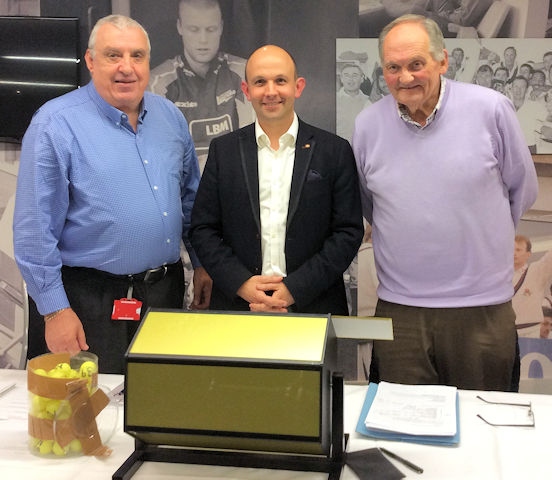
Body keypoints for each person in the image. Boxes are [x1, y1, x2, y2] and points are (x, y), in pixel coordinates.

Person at [13, 14, 210, 374]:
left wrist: (201, 264)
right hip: (86, 303)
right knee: (83, 419)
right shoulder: (54, 125)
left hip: (162, 294)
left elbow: (190, 201)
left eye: (137, 56)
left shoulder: (171, 119)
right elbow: (33, 232)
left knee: (159, 406)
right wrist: (55, 310)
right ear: (90, 61)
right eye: (112, 55)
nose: (126, 68)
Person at [352, 15, 538, 391]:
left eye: (416, 64)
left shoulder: (492, 110)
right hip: (400, 311)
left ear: (443, 61)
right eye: (393, 67)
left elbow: (522, 190)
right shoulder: (367, 125)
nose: (405, 77)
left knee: (483, 429)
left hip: (481, 310)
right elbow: (372, 204)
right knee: (400, 431)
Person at [190, 45, 364, 314]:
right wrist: (243, 284)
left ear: (298, 86)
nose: (271, 91)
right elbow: (203, 228)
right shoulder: (224, 151)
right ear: (246, 91)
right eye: (260, 82)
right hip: (239, 306)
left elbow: (348, 232)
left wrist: (296, 289)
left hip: (312, 305)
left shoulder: (334, 151)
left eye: (280, 80)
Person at [148, 0, 253, 172]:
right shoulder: (157, 84)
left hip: (233, 185)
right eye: (194, 29)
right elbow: (161, 160)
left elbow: (252, 147)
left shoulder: (245, 72)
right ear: (180, 28)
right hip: (185, 193)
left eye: (210, 29)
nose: (203, 40)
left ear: (221, 28)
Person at [513, 235, 552, 338]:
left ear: (528, 254)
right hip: (505, 330)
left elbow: (550, 258)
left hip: (530, 330)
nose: (514, 253)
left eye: (518, 250)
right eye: (511, 249)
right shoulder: (500, 275)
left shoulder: (536, 271)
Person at [336, 63, 371, 142]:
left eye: (354, 75)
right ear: (341, 79)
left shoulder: (369, 102)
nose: (350, 79)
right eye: (346, 75)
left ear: (362, 79)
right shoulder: (333, 101)